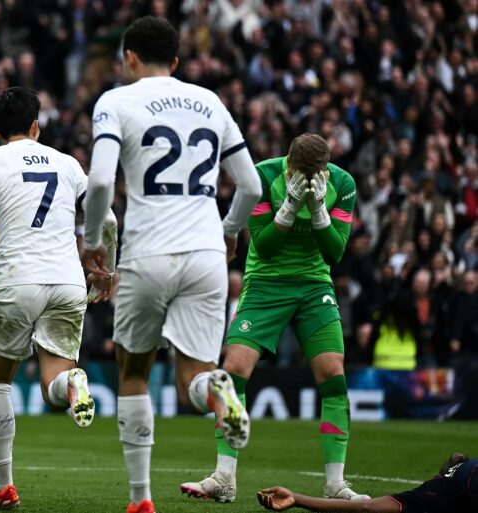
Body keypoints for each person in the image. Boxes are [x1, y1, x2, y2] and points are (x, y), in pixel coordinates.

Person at [81, 17, 262, 513]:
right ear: (177, 61)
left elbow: (101, 182)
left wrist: (92, 240)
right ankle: (217, 391)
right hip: (206, 254)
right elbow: (250, 186)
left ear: (129, 57)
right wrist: (228, 231)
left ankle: (141, 499)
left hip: (148, 252)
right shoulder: (211, 101)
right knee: (193, 380)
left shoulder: (115, 101)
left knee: (134, 371)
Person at [0, 86, 118, 510]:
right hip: (68, 282)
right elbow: (109, 219)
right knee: (52, 384)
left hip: (17, 280)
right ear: (36, 126)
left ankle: (3, 486)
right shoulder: (68, 163)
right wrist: (108, 269)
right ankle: (72, 383)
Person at [183, 133, 366, 503]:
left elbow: (335, 253)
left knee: (333, 373)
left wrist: (319, 212)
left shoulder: (343, 183)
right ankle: (224, 477)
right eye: (303, 174)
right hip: (266, 284)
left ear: (326, 167)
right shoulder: (264, 177)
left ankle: (335, 484)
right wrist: (289, 208)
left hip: (314, 285)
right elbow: (264, 247)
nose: (313, 180)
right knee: (233, 370)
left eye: (319, 174)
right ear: (290, 164)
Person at [258, 453, 478, 512]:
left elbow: (366, 506)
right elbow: (365, 506)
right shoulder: (439, 490)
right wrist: (296, 499)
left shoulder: (434, 491)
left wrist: (297, 499)